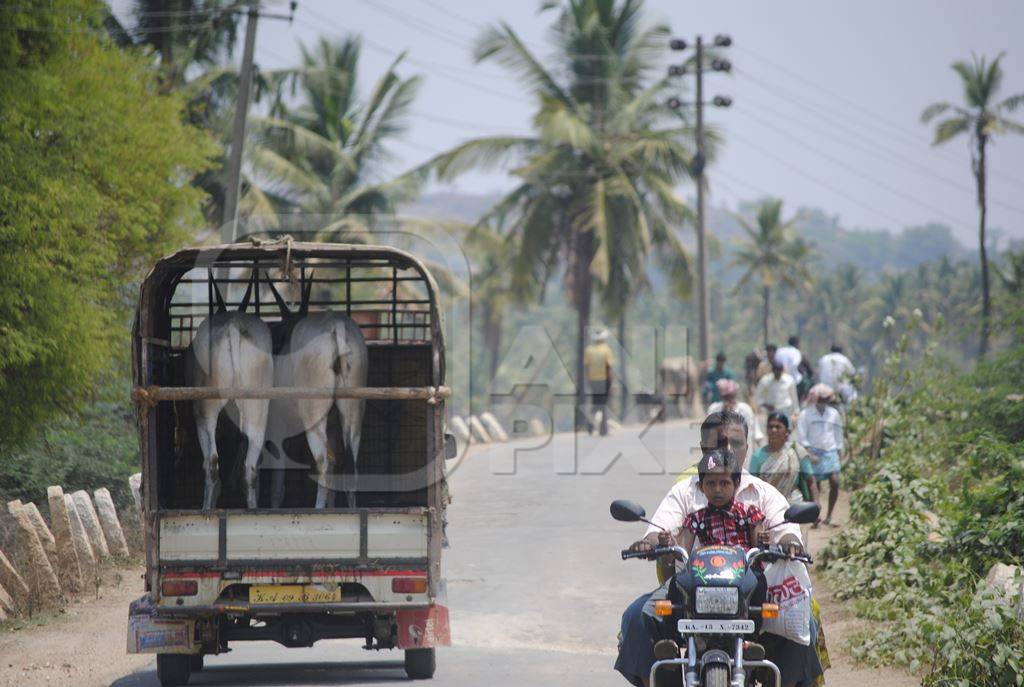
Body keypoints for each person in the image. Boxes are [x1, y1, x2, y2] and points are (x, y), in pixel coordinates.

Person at [615, 411, 823, 687]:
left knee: (805, 623)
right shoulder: (686, 493)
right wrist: (651, 543)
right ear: (704, 450)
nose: (727, 451)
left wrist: (790, 545)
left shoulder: (762, 495)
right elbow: (661, 529)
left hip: (748, 597)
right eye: (719, 444)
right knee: (636, 616)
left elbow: (785, 531)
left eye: (735, 443)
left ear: (747, 447)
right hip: (691, 595)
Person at [677, 448, 768, 553]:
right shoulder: (696, 519)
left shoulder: (749, 514)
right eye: (711, 484)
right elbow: (681, 552)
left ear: (736, 484)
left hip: (745, 568)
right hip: (708, 568)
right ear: (701, 486)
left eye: (724, 483)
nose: (717, 490)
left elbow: (760, 549)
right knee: (683, 570)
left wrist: (764, 540)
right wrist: (669, 542)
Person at [797, 384, 844, 527]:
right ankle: (815, 517)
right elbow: (802, 435)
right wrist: (809, 453)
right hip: (813, 452)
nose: (823, 402)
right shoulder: (805, 414)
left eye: (826, 399)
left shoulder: (834, 414)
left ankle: (829, 516)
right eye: (821, 399)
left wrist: (839, 450)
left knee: (835, 481)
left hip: (830, 451)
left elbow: (838, 433)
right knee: (814, 486)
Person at [749, 411, 819, 506]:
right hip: (767, 505)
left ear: (787, 431)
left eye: (778, 427)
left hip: (794, 504)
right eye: (770, 427)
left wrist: (816, 503)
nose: (774, 430)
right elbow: (752, 485)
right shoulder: (758, 455)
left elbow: (810, 480)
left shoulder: (796, 451)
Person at [707, 378, 762, 457]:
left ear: (735, 395)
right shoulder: (714, 409)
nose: (728, 400)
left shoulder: (745, 409)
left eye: (730, 397)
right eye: (725, 397)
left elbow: (756, 434)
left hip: (743, 454)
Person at [583, 329, 615, 435]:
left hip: (593, 381)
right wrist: (611, 382)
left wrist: (588, 380)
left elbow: (587, 367)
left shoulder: (589, 350)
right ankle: (603, 429)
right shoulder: (606, 350)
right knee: (604, 404)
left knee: (596, 403)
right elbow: (608, 367)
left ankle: (590, 424)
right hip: (604, 380)